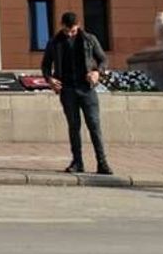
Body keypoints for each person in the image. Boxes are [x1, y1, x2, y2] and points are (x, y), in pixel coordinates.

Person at [42, 11, 112, 175]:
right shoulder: (54, 42)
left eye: (72, 31)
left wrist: (97, 72)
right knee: (74, 127)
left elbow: (103, 59)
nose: (69, 34)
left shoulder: (89, 39)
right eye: (67, 31)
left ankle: (102, 163)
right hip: (67, 89)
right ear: (62, 26)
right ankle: (77, 162)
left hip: (87, 88)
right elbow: (45, 65)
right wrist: (50, 79)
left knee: (94, 125)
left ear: (78, 26)